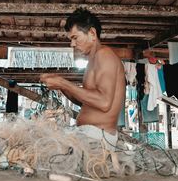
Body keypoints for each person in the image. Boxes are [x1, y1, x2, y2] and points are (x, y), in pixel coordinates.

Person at [40, 8, 126, 150]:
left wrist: (63, 83)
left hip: (99, 138)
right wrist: (61, 86)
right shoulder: (93, 60)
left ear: (92, 33)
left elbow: (104, 103)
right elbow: (85, 102)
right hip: (91, 135)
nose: (72, 44)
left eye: (75, 38)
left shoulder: (104, 55)